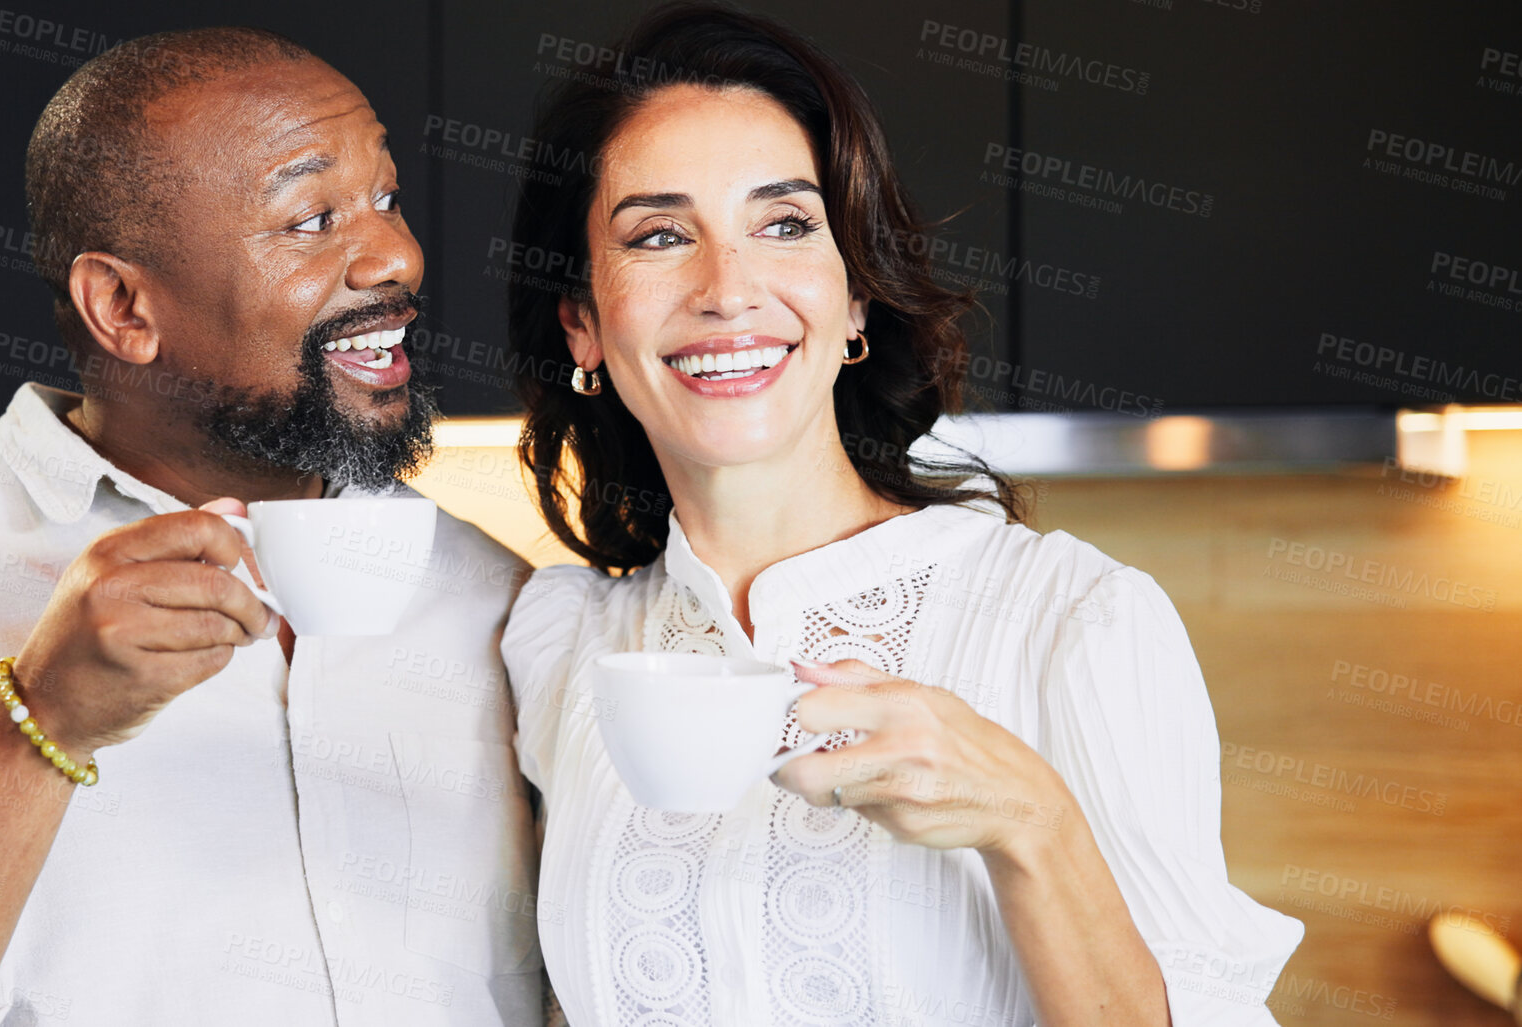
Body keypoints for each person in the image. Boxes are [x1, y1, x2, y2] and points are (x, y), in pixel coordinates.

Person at [0, 27, 544, 1026]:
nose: (397, 256)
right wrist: (36, 723)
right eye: (310, 217)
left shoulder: (498, 600)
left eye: (385, 200)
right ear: (123, 306)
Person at [498, 5, 1303, 1025]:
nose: (727, 288)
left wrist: (1030, 822)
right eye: (661, 236)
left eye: (784, 225)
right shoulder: (563, 644)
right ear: (584, 324)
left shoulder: (1075, 620)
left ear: (856, 302)